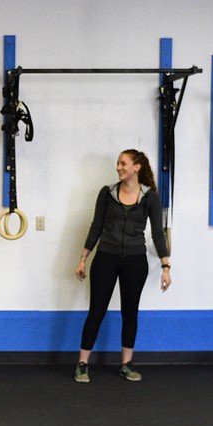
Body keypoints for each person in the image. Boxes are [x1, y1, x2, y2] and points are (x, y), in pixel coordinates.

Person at [73, 149, 171, 383]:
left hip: (135, 260)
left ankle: (126, 364)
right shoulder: (107, 193)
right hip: (106, 256)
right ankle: (82, 363)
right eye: (117, 163)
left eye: (123, 163)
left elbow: (157, 233)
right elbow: (96, 226)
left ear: (136, 167)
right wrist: (83, 258)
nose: (118, 167)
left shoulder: (150, 197)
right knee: (97, 311)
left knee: (130, 312)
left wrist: (166, 266)